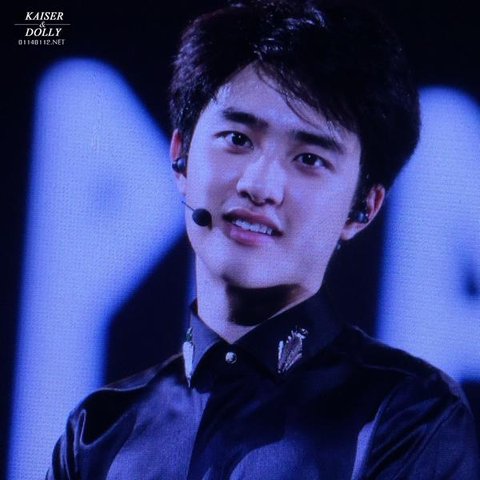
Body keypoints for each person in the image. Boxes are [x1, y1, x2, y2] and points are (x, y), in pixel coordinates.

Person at [47, 0, 480, 478]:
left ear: (363, 208)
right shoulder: (99, 430)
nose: (260, 185)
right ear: (180, 157)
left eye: (310, 159)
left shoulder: (409, 417)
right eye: (237, 139)